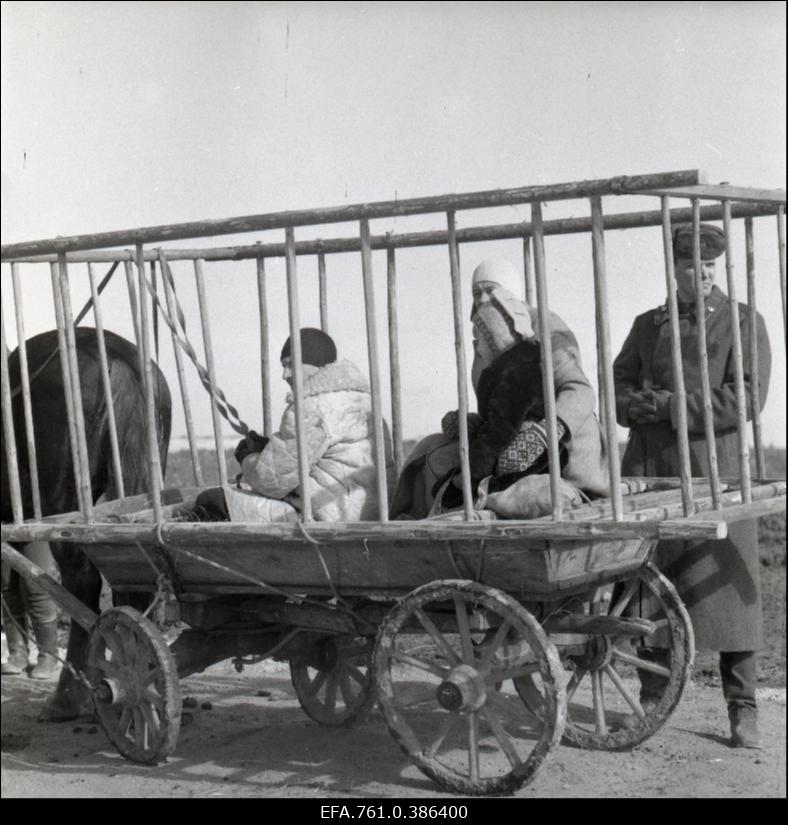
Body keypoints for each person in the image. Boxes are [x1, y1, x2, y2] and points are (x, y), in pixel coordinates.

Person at [613, 222, 772, 749]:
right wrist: (635, 404)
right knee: (650, 586)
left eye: (708, 266)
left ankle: (742, 708)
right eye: (689, 266)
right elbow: (619, 389)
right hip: (651, 469)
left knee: (730, 588)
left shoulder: (742, 322)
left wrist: (669, 406)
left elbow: (745, 400)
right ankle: (653, 698)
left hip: (717, 470)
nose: (700, 275)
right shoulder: (646, 325)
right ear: (672, 268)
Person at [391, 258, 611, 519]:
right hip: (509, 437)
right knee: (430, 449)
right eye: (476, 292)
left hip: (562, 442)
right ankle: (408, 518)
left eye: (491, 290)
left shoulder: (546, 327)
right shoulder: (484, 332)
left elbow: (580, 390)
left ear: (512, 290)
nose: (482, 298)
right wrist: (473, 423)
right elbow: (502, 404)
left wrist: (547, 431)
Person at [189, 328, 393, 523]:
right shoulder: (362, 402)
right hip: (371, 513)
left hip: (326, 518)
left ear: (315, 364)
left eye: (290, 364)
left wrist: (249, 458)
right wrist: (268, 451)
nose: (284, 375)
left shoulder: (312, 406)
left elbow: (271, 481)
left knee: (211, 501)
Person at [1, 541, 60, 679]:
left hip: (35, 522)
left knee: (36, 587)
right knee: (8, 587)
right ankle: (17, 654)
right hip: (4, 523)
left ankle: (48, 656)